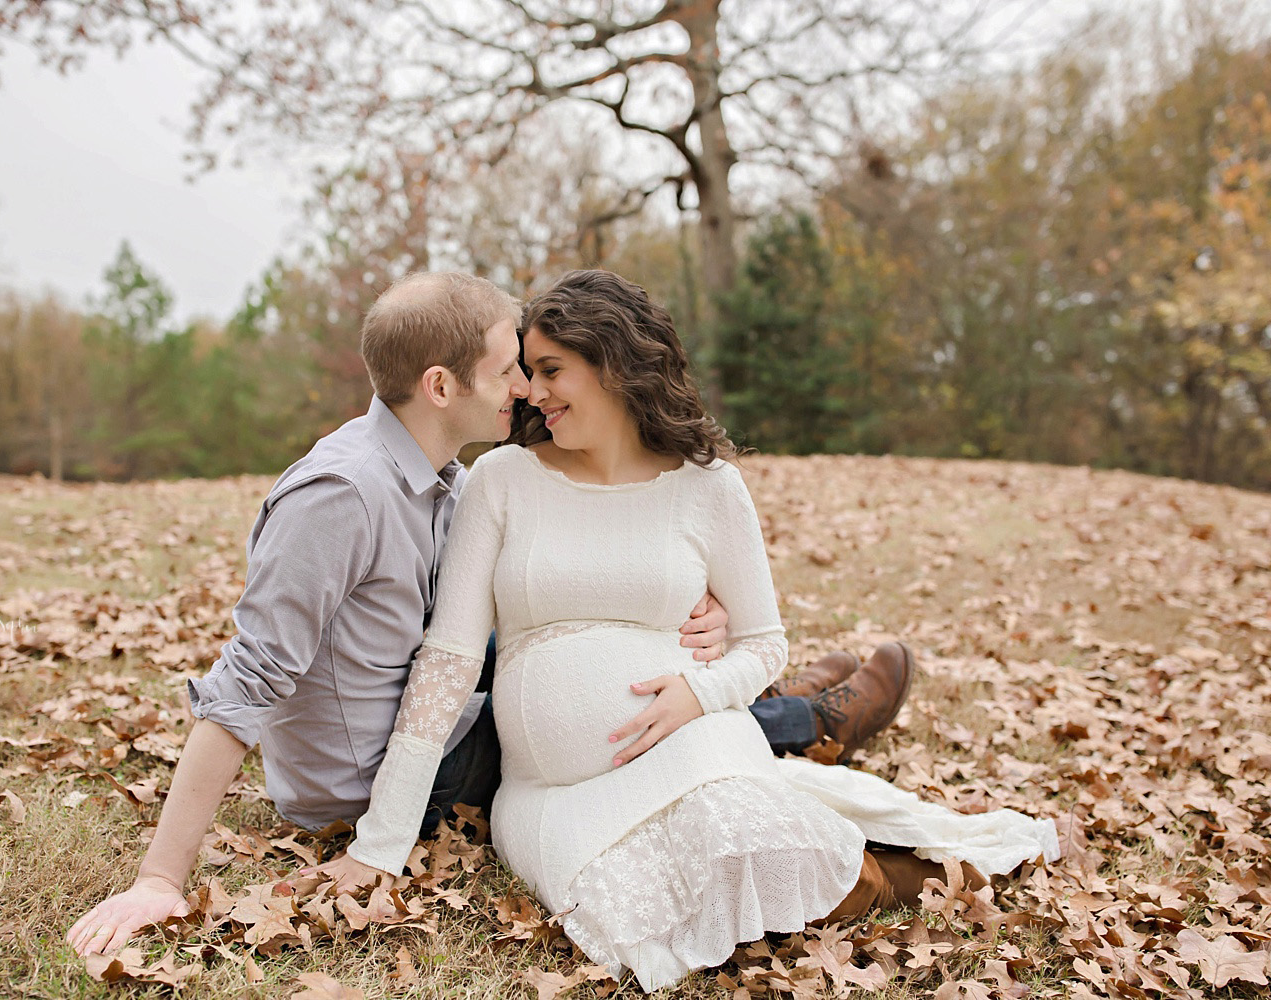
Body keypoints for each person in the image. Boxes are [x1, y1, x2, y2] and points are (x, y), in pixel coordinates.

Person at [64, 271, 906, 958]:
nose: (526, 390)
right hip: (392, 769)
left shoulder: (450, 482)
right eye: (512, 368)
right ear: (442, 385)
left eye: (535, 368)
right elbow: (254, 678)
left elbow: (546, 581)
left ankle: (786, 701)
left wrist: (699, 603)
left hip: (457, 714)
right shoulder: (341, 495)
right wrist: (161, 879)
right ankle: (806, 717)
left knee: (614, 657)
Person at [322, 270, 1059, 992]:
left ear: (614, 363)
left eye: (551, 369)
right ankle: (829, 800)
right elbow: (448, 661)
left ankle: (913, 870)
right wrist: (380, 844)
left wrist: (699, 697)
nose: (530, 390)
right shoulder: (502, 480)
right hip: (552, 791)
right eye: (526, 370)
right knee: (628, 910)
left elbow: (765, 644)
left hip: (696, 744)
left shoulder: (707, 488)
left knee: (740, 846)